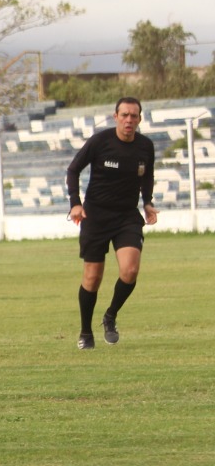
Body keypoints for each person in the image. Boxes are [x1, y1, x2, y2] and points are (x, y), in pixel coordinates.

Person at [66, 96, 157, 350]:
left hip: (127, 216)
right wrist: (76, 202)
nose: (129, 120)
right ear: (115, 116)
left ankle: (111, 316)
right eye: (125, 115)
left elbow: (147, 175)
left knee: (130, 271)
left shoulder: (145, 146)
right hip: (95, 216)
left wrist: (147, 202)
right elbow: (73, 170)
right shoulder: (100, 142)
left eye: (134, 116)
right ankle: (85, 332)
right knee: (92, 278)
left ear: (139, 119)